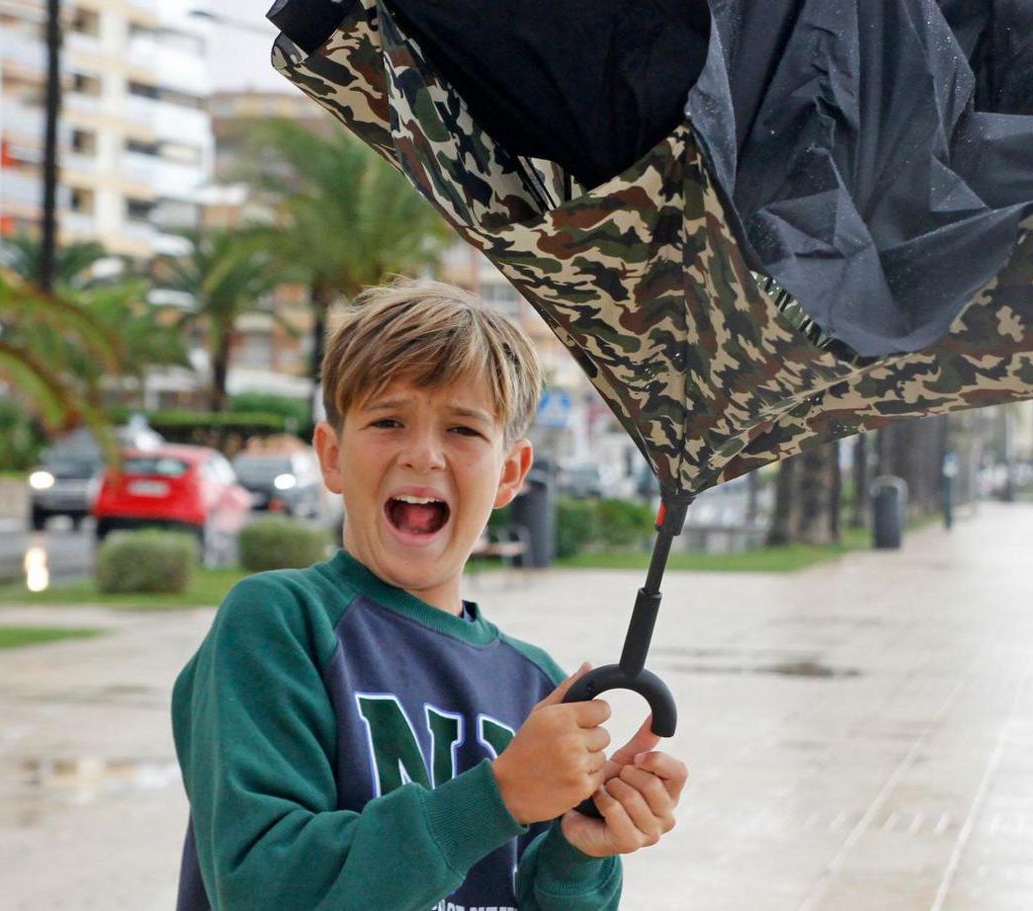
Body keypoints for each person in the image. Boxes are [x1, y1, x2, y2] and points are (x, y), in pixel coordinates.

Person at [172, 279, 686, 910]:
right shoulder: (280, 625)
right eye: (388, 420)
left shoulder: (537, 688)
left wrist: (581, 853)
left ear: (510, 474)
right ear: (331, 457)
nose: (423, 455)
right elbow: (263, 889)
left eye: (464, 431)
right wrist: (494, 799)